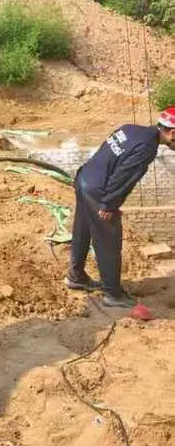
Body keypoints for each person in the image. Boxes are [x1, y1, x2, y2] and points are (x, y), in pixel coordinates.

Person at [66, 108, 175, 307]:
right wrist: (109, 204)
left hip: (85, 178)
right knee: (109, 240)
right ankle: (113, 294)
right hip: (99, 191)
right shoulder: (148, 147)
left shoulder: (130, 128)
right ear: (172, 133)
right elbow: (125, 175)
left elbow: (104, 151)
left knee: (83, 229)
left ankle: (76, 276)